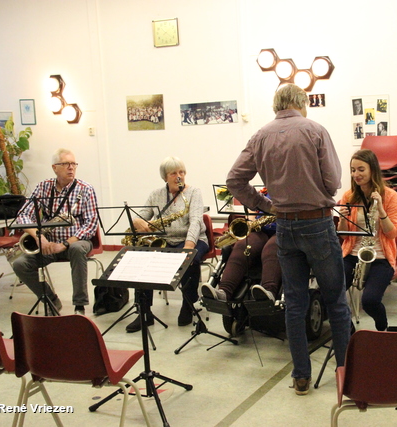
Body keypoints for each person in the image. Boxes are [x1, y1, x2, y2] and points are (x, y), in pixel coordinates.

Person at [226, 83, 351, 396]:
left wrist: (266, 205)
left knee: (294, 303)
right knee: (335, 299)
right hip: (318, 223)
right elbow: (334, 181)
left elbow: (234, 180)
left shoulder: (260, 136)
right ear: (302, 102)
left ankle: (300, 377)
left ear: (275, 105)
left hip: (285, 226)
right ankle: (346, 372)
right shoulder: (315, 130)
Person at [125, 156, 209, 333]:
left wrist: (188, 245)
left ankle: (188, 304)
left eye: (182, 172)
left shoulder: (194, 192)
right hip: (165, 240)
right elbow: (142, 215)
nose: (179, 176)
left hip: (192, 239)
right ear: (165, 177)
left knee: (190, 259)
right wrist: (138, 221)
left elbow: (195, 221)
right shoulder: (156, 194)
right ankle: (144, 312)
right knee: (140, 259)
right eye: (173, 173)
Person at [12, 149, 99, 315]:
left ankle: (79, 306)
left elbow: (90, 224)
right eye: (66, 164)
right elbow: (23, 215)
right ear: (54, 168)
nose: (71, 168)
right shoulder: (43, 187)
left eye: (73, 164)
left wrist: (64, 244)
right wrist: (38, 237)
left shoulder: (85, 189)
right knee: (19, 264)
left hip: (75, 242)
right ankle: (50, 300)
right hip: (48, 244)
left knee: (76, 249)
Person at [337, 149, 397, 331]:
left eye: (361, 169)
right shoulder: (349, 196)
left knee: (370, 301)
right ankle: (348, 334)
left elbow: (393, 233)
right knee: (332, 294)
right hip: (352, 254)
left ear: (372, 170)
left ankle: (383, 330)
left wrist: (381, 211)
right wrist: (342, 219)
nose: (356, 174)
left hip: (380, 257)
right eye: (353, 170)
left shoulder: (390, 195)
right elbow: (344, 236)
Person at [201, 221, 281, 303]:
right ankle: (224, 292)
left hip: (285, 228)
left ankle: (269, 291)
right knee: (242, 246)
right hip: (260, 229)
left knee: (272, 248)